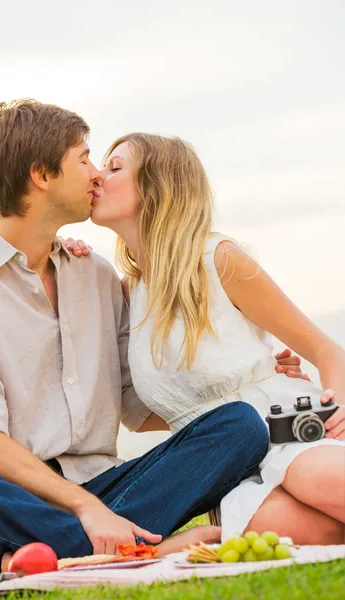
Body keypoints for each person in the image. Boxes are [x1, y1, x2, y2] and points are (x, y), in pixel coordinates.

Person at [0, 100, 277, 571]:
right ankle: (132, 548)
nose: (96, 174)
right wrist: (88, 510)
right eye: (83, 159)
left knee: (239, 425)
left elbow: (139, 408)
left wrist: (248, 379)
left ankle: (52, 553)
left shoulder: (98, 277)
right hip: (11, 499)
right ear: (42, 174)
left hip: (108, 489)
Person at [88, 132, 345, 545]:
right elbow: (139, 415)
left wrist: (339, 407)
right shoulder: (126, 293)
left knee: (315, 481)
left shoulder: (217, 258)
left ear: (158, 186)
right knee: (302, 531)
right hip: (222, 461)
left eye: (115, 167)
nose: (97, 176)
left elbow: (325, 349)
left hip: (284, 420)